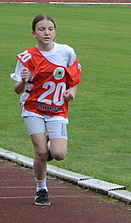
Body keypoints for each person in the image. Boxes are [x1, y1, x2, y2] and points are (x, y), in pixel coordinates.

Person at [11, 14, 82, 206]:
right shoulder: (27, 57)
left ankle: (51, 140)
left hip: (57, 108)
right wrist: (24, 80)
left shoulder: (66, 52)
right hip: (33, 107)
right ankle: (41, 189)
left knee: (59, 154)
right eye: (41, 29)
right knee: (41, 152)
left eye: (50, 29)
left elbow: (74, 76)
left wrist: (72, 90)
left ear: (55, 32)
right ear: (33, 33)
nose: (46, 33)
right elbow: (17, 89)